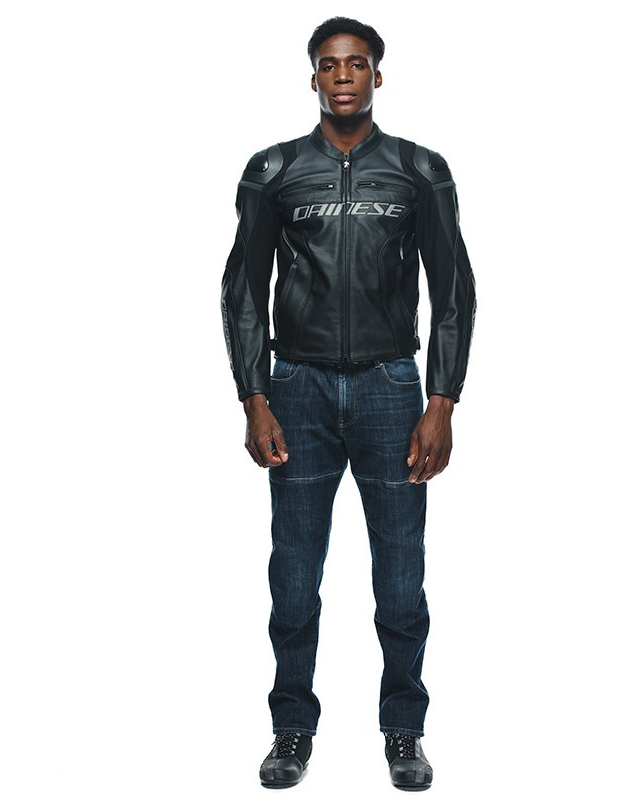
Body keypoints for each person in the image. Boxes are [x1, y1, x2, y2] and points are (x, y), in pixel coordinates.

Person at [220, 16, 476, 790]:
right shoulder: (274, 170)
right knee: (295, 578)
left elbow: (454, 292)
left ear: (376, 76)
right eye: (329, 65)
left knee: (400, 578)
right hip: (295, 390)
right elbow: (241, 292)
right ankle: (291, 728)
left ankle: (404, 731)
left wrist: (441, 400)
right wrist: (253, 396)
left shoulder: (419, 170)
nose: (342, 76)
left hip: (391, 390)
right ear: (313, 78)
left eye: (356, 64)